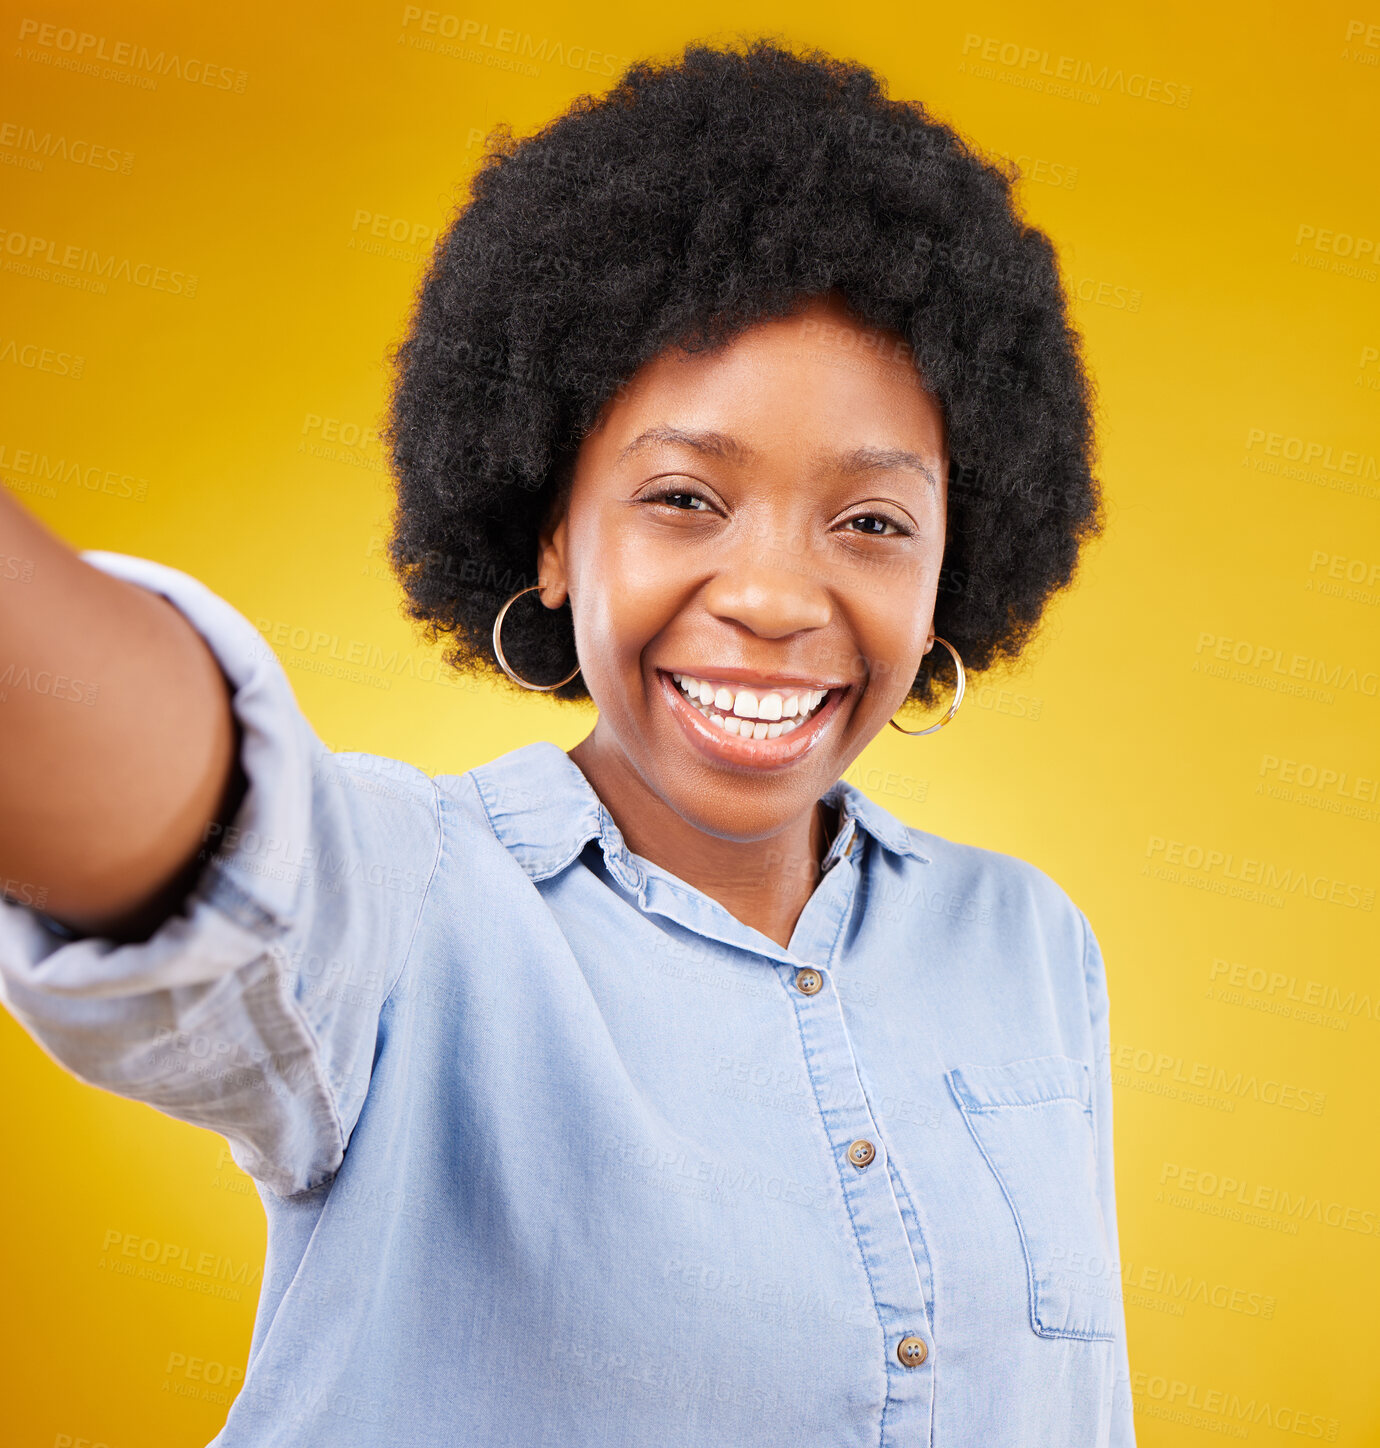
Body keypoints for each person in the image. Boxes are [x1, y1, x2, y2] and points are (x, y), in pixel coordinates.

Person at [0, 37, 1134, 1447]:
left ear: (954, 563)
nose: (777, 597)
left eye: (873, 522)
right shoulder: (416, 905)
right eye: (681, 496)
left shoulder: (1028, 944)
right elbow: (209, 824)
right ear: (551, 531)